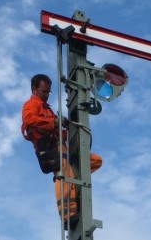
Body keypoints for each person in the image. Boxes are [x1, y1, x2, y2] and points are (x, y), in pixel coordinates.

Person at [21, 73, 102, 222]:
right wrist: (55, 123)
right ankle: (67, 214)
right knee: (62, 173)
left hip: (60, 146)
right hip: (48, 148)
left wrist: (68, 131)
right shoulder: (32, 105)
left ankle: (74, 186)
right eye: (43, 91)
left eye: (48, 92)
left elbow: (56, 128)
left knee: (95, 160)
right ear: (34, 89)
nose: (46, 95)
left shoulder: (47, 109)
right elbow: (29, 120)